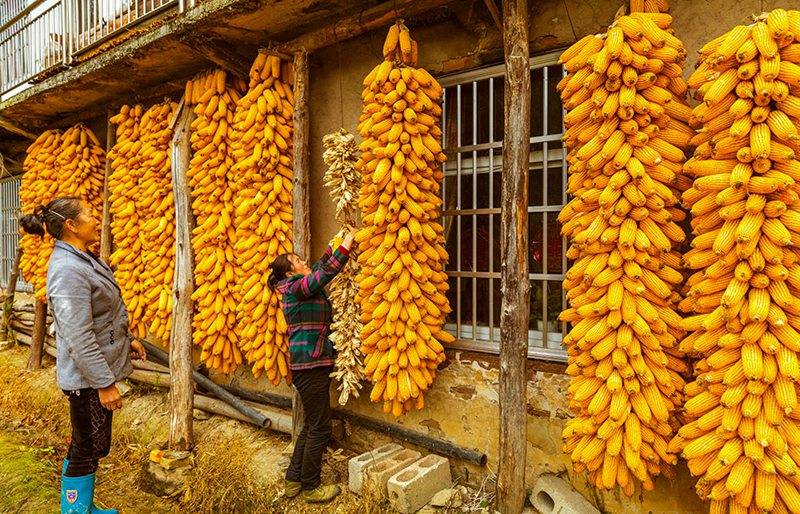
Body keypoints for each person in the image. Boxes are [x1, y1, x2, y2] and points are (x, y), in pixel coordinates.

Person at [20, 197, 146, 514]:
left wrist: (126, 339)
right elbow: (77, 334)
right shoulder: (67, 270)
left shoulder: (83, 258)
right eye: (89, 214)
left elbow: (102, 314)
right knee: (87, 446)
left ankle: (83, 506)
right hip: (86, 379)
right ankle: (75, 510)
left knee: (92, 444)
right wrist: (104, 383)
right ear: (71, 225)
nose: (97, 219)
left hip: (93, 373)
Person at [268, 227, 356, 503]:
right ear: (289, 272)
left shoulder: (297, 285)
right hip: (310, 366)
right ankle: (311, 486)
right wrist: (347, 246)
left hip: (308, 367)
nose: (303, 261)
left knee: (310, 425)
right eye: (297, 261)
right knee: (320, 428)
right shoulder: (295, 289)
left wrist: (335, 243)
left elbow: (319, 267)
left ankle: (293, 480)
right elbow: (323, 274)